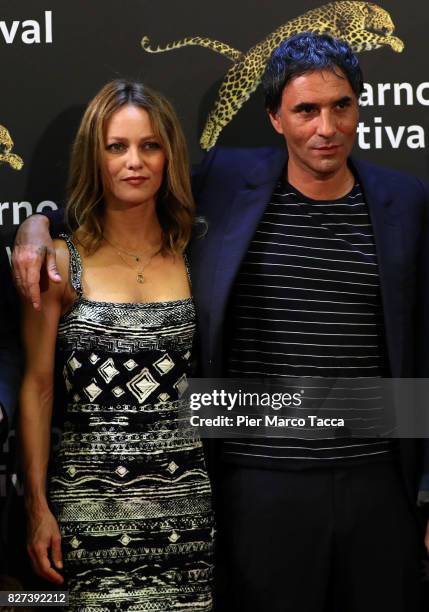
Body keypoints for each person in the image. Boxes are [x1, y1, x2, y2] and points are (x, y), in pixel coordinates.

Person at [13, 34, 429, 611]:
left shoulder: (406, 200)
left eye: (342, 106)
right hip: (256, 483)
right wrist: (36, 225)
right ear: (275, 117)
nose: (326, 127)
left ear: (360, 106)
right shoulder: (229, 185)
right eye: (306, 109)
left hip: (378, 482)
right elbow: (120, 196)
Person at [18, 80, 214, 610]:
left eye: (150, 145)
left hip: (189, 519)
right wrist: (37, 507)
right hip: (87, 519)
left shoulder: (198, 257)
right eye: (117, 147)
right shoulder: (59, 264)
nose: (135, 162)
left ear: (169, 154)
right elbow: (37, 389)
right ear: (94, 156)